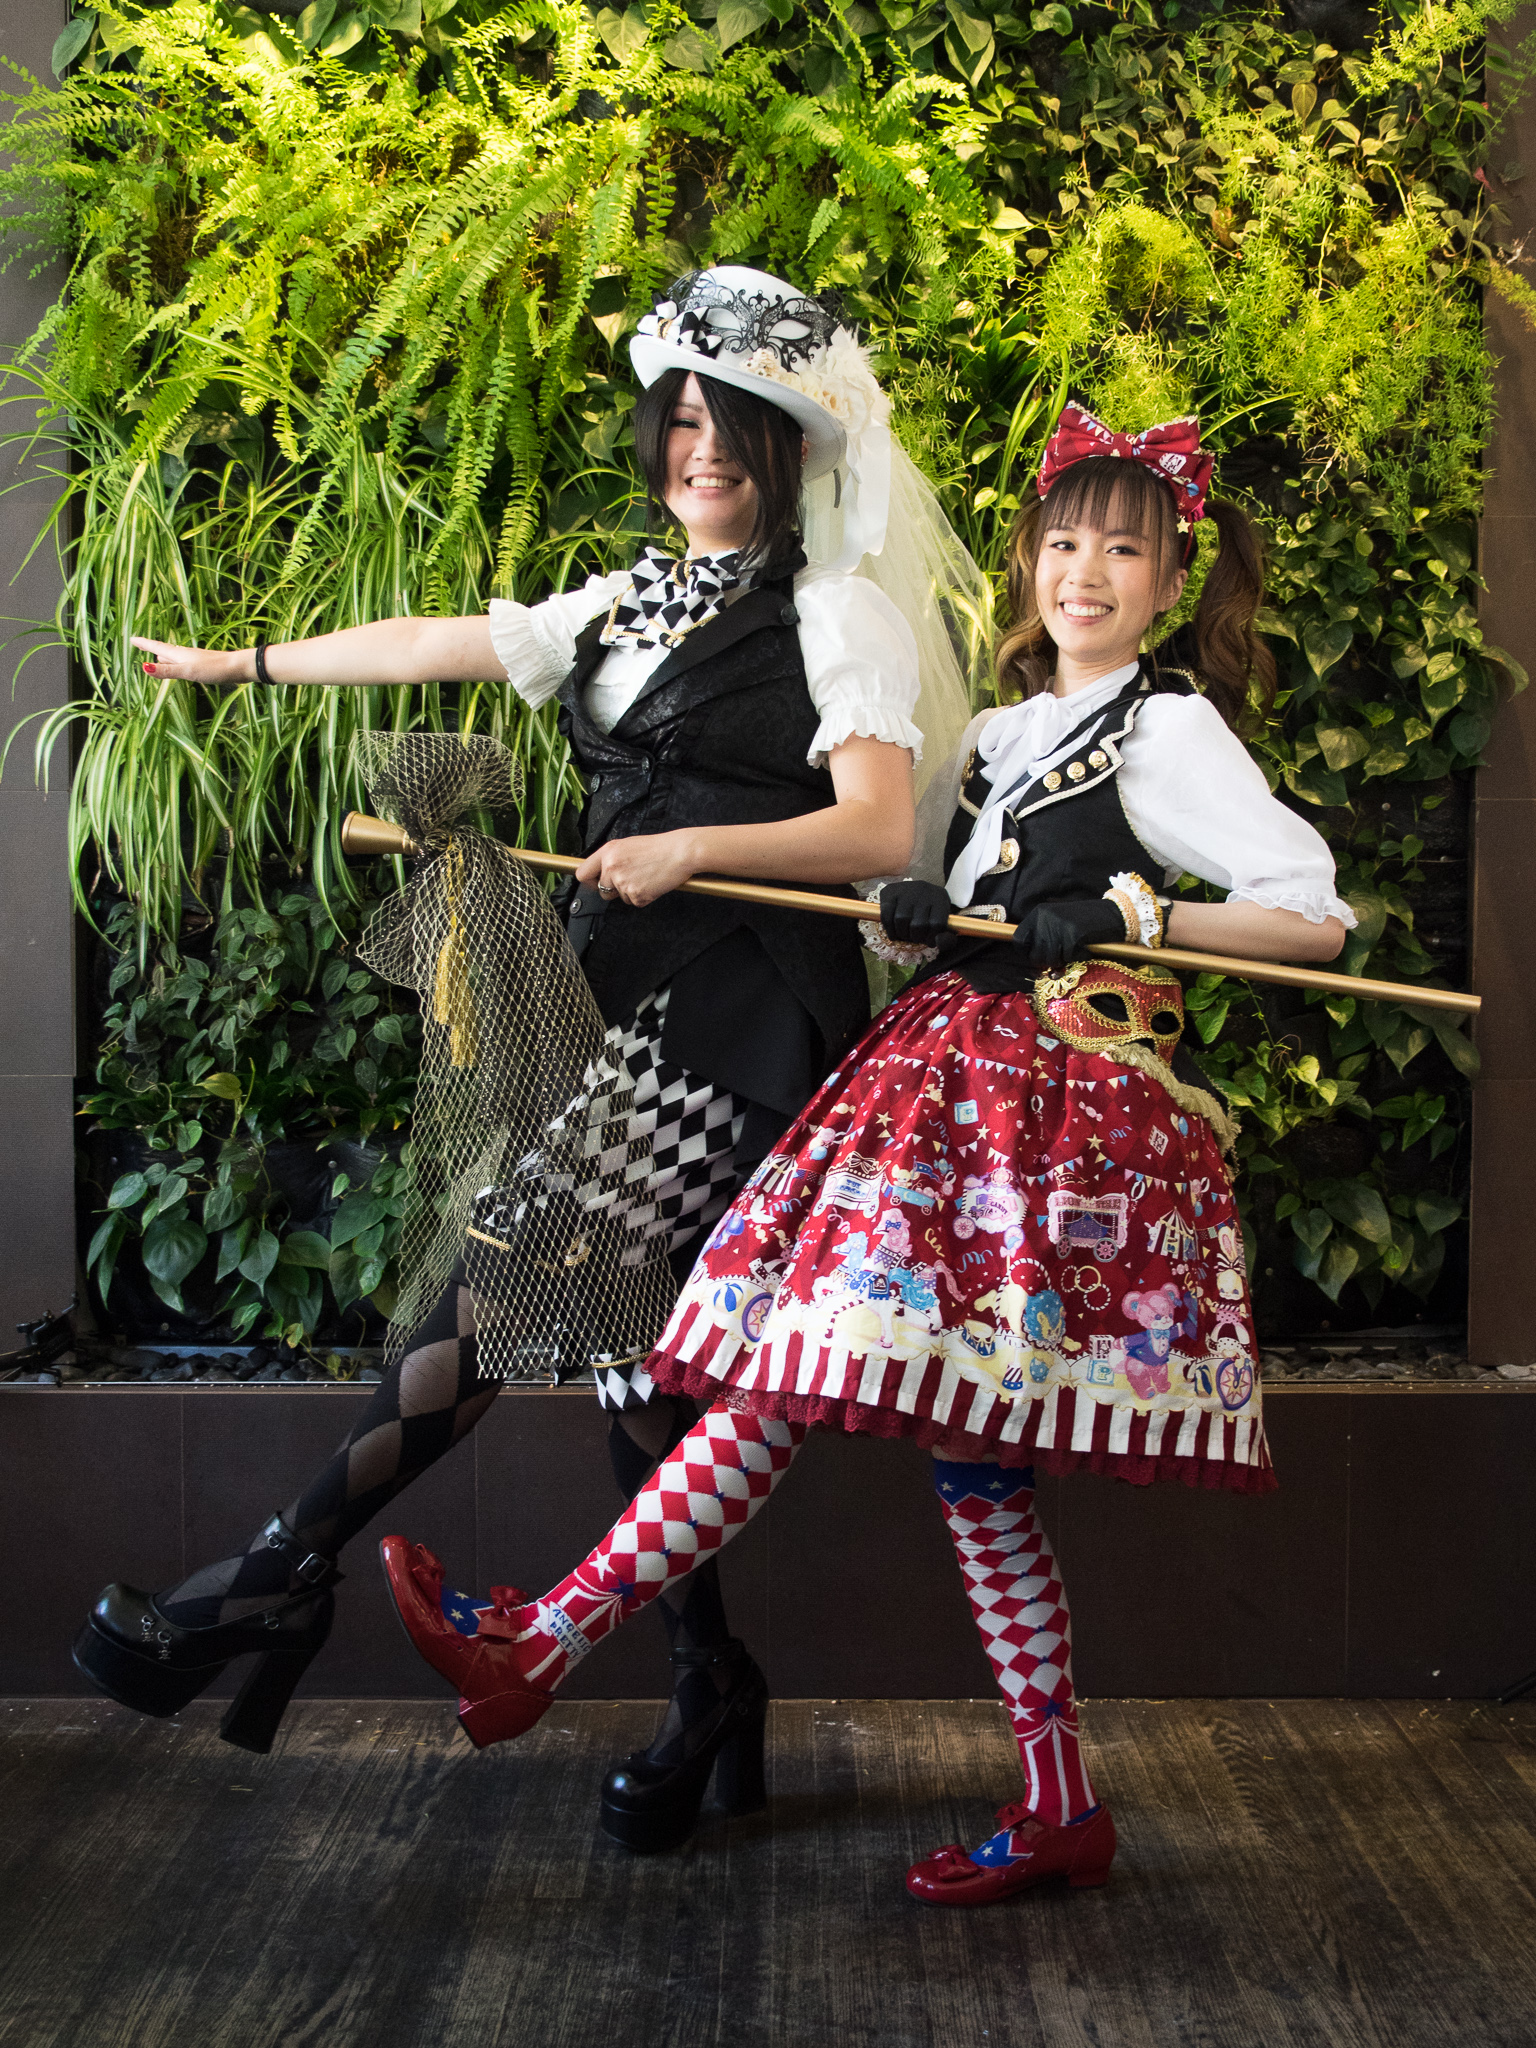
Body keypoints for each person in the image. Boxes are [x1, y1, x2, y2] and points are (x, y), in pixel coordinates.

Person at [376, 403, 1357, 1901]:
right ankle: (1054, 1801)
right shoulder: (1003, 737)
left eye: (1124, 552)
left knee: (808, 1386)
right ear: (1029, 564)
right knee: (952, 1458)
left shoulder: (1169, 731)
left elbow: (1310, 917)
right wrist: (916, 913)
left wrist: (1135, 916)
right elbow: (939, 893)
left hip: (1039, 1130)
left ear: (1171, 584)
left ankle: (546, 1641)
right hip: (936, 1098)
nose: (1086, 574)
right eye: (1064, 543)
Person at [71, 267, 982, 1855]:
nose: (703, 448)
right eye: (680, 419)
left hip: (745, 1021)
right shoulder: (621, 602)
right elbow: (443, 639)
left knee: (509, 1281)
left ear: (790, 447)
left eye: (735, 424)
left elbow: (878, 828)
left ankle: (272, 1574)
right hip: (625, 1006)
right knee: (631, 1359)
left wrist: (694, 846)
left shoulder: (838, 613)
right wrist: (242, 667)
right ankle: (711, 1686)